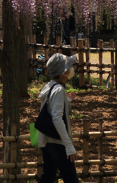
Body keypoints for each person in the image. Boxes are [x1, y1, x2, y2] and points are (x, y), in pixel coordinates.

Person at [37, 53, 79, 183]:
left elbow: (50, 108)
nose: (71, 69)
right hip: (58, 143)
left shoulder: (50, 85)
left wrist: (66, 101)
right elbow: (57, 118)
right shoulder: (59, 89)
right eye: (69, 67)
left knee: (48, 177)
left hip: (46, 141)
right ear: (63, 72)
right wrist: (69, 145)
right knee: (71, 179)